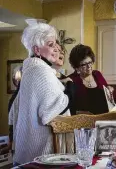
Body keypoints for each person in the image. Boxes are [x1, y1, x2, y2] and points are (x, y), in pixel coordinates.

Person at [8, 22, 72, 164]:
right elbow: (52, 110)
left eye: (56, 43)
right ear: (36, 50)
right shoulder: (40, 70)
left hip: (26, 150)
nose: (56, 48)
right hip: (41, 154)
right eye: (50, 44)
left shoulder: (31, 69)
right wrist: (70, 90)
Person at [69, 44, 112, 114]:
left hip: (104, 118)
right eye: (84, 64)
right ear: (77, 67)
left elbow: (108, 93)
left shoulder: (97, 74)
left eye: (90, 62)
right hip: (84, 122)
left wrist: (109, 89)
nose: (89, 66)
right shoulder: (72, 80)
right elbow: (70, 108)